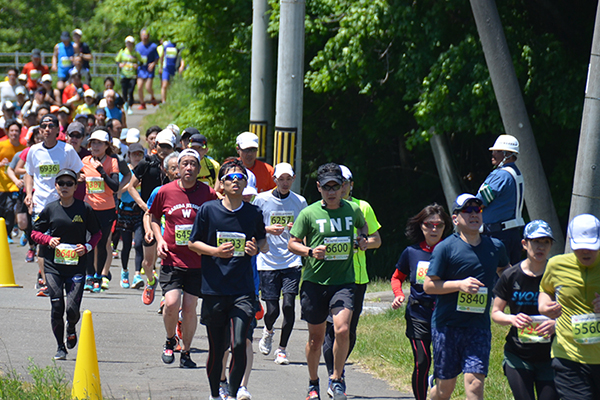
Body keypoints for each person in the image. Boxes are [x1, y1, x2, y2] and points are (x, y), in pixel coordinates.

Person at [288, 162, 368, 400]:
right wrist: (310, 251)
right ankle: (313, 383)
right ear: (319, 188)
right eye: (327, 187)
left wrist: (362, 239)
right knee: (316, 339)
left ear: (343, 187)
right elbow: (293, 243)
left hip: (344, 281)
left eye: (336, 186)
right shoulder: (309, 213)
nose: (331, 192)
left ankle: (336, 378)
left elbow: (363, 228)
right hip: (314, 283)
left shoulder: (352, 210)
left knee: (343, 329)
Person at [188, 158, 267, 400]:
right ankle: (215, 394)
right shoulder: (208, 210)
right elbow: (193, 243)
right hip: (214, 288)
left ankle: (233, 394)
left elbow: (262, 242)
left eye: (240, 177)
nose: (235, 181)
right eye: (230, 177)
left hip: (243, 289)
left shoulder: (253, 213)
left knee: (240, 343)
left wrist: (256, 249)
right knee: (218, 347)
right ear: (220, 184)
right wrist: (214, 251)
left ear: (246, 183)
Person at [423, 193, 510, 400]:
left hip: (477, 326)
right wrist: (459, 285)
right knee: (445, 388)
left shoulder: (495, 247)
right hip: (447, 325)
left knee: (475, 383)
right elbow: (428, 285)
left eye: (477, 210)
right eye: (467, 210)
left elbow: (506, 274)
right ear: (455, 219)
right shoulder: (446, 248)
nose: (473, 215)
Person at [150, 148, 218, 368]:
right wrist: (159, 239)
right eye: (185, 164)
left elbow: (218, 218)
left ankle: (186, 351)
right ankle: (170, 339)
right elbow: (153, 216)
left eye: (193, 164)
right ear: (177, 168)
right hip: (171, 258)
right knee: (171, 304)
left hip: (197, 261)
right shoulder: (165, 191)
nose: (189, 168)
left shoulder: (208, 193)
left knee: (190, 307)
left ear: (199, 169)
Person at [321, 165, 382, 394]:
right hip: (330, 276)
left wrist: (364, 242)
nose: (341, 187)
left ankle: (339, 368)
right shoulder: (322, 208)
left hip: (357, 277)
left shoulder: (362, 207)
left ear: (351, 185)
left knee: (349, 330)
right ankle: (334, 376)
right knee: (332, 329)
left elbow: (377, 239)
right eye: (337, 183)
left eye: (345, 183)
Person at [31, 168, 101, 360]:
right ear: (56, 186)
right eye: (61, 183)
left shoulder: (84, 209)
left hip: (77, 266)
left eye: (69, 183)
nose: (65, 187)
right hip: (53, 265)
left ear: (75, 187)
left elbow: (97, 234)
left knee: (71, 308)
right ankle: (60, 346)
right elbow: (35, 233)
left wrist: (86, 247)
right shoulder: (50, 208)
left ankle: (71, 327)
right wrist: (48, 240)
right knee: (56, 306)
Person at [492, 220, 558, 400]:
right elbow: (496, 313)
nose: (540, 247)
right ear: (524, 244)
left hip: (551, 355)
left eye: (545, 242)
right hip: (518, 354)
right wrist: (512, 319)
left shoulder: (559, 276)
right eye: (536, 241)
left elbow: (573, 311)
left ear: (551, 245)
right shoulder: (510, 275)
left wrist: (556, 324)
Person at [391, 203, 452, 400]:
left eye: (439, 225)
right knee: (422, 361)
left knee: (445, 363)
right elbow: (396, 277)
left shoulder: (452, 251)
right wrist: (399, 294)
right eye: (429, 225)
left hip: (445, 314)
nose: (434, 229)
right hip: (418, 314)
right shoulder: (411, 252)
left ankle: (436, 388)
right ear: (421, 226)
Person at [539, 214, 600, 400]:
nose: (585, 252)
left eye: (591, 246)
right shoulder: (557, 265)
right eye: (580, 247)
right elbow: (545, 289)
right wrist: (543, 306)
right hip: (568, 355)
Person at [253, 162, 307, 365]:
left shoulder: (300, 201)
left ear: (293, 179)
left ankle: (282, 349)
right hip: (268, 260)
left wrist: (297, 229)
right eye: (281, 179)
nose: (285, 183)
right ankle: (268, 331)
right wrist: (268, 229)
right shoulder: (261, 199)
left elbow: (306, 228)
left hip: (292, 259)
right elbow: (253, 226)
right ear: (274, 179)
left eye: (288, 179)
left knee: (289, 305)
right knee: (273, 310)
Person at [25, 113, 84, 295]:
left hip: (62, 205)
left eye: (51, 126)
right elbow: (29, 173)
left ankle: (64, 278)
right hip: (41, 205)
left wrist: (71, 184)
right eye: (44, 126)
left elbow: (79, 172)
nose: (47, 130)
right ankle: (46, 281)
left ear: (58, 130)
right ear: (40, 130)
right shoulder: (34, 151)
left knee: (61, 243)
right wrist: (28, 194)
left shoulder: (66, 150)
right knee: (43, 244)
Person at [129, 129, 175, 304]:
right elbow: (131, 186)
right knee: (147, 263)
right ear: (156, 145)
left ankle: (167, 295)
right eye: (161, 146)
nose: (164, 150)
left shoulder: (176, 166)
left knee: (166, 258)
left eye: (168, 147)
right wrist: (143, 205)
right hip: (148, 215)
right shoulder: (146, 163)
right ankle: (150, 281)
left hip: (170, 217)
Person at [81, 130, 120, 292]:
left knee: (102, 243)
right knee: (89, 242)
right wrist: (79, 177)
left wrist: (102, 172)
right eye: (93, 143)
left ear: (106, 146)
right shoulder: (85, 160)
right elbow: (76, 176)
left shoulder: (112, 162)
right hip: (89, 208)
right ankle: (89, 276)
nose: (95, 146)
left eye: (99, 143)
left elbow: (115, 186)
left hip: (107, 208)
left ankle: (99, 275)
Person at [477, 134, 524, 265]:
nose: (493, 153)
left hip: (497, 235)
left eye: (496, 151)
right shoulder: (516, 173)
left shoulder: (500, 175)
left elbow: (480, 202)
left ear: (507, 154)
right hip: (512, 234)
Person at [115, 143, 145, 288]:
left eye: (139, 154)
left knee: (139, 243)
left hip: (140, 210)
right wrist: (132, 186)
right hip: (125, 210)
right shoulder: (125, 171)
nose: (137, 157)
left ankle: (137, 274)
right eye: (134, 154)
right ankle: (125, 271)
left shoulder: (145, 170)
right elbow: (118, 192)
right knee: (126, 244)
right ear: (129, 156)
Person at [0, 120, 26, 239]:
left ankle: (7, 234)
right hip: (2, 185)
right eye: (12, 131)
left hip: (16, 185)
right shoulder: (2, 145)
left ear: (20, 132)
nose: (14, 133)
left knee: (11, 210)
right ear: (7, 132)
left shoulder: (23, 148)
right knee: (3, 211)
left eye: (16, 131)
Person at [116, 36, 142, 115]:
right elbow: (117, 61)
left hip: (133, 75)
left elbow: (141, 61)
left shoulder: (135, 53)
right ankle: (125, 103)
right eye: (128, 43)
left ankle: (130, 106)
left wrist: (137, 65)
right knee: (124, 91)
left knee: (131, 91)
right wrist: (120, 64)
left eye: (130, 43)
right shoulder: (122, 52)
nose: (129, 45)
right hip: (124, 75)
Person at [136, 28, 159, 109]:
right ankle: (142, 103)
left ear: (148, 36)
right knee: (139, 87)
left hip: (149, 69)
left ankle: (152, 97)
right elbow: (134, 57)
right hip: (141, 69)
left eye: (146, 35)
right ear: (140, 36)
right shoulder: (137, 46)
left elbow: (157, 57)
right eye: (143, 35)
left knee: (148, 87)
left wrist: (153, 64)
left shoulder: (153, 46)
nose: (144, 37)